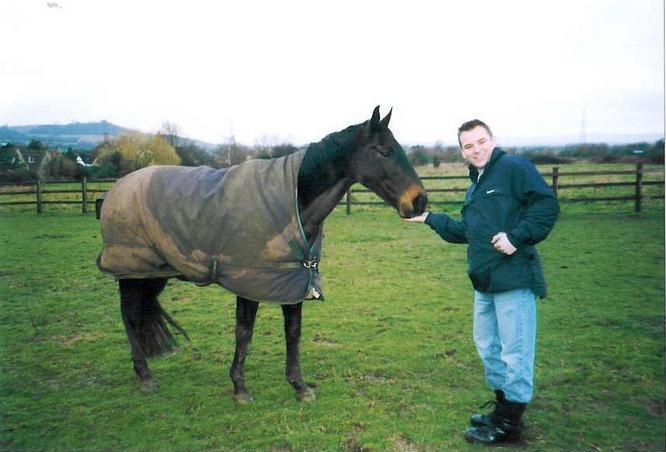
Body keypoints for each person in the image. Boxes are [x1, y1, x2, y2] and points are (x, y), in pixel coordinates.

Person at [405, 119, 559, 444]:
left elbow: (547, 205)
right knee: (488, 348)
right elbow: (467, 231)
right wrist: (429, 218)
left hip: (513, 279)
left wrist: (517, 237)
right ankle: (503, 410)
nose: (476, 150)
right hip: (484, 281)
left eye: (480, 142)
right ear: (462, 151)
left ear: (492, 140)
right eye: (468, 146)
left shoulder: (514, 168)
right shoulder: (475, 183)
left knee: (515, 352)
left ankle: (511, 425)